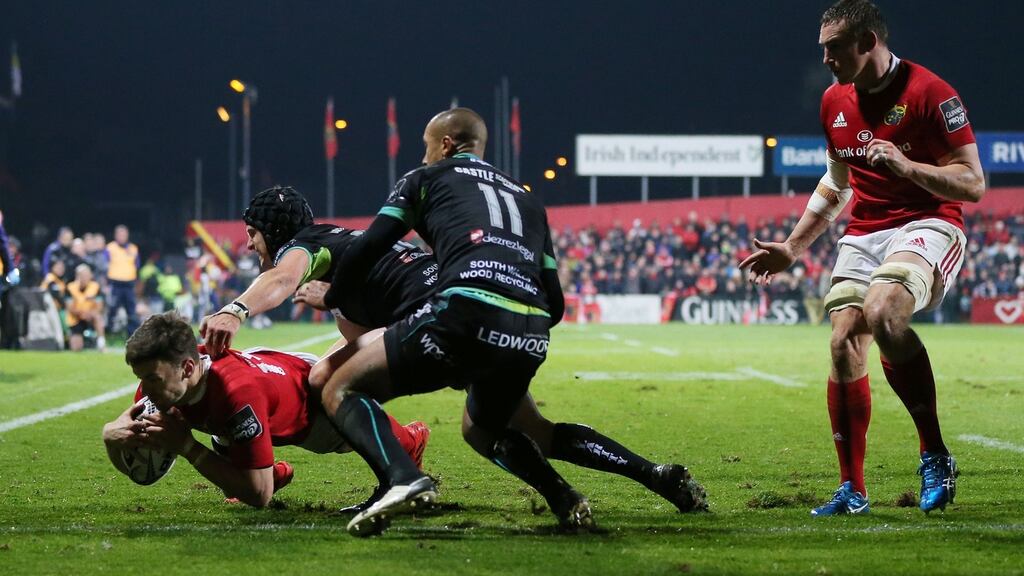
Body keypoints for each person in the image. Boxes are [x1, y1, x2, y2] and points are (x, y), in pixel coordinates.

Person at [205, 185, 707, 517]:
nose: (250, 246)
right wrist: (334, 306)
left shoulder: (306, 243)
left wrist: (236, 310)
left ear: (272, 230)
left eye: (251, 235)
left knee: (325, 381)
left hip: (440, 315)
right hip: (479, 317)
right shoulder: (353, 245)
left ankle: (399, 480)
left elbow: (281, 277)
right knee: (508, 430)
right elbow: (368, 329)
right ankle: (650, 477)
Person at [740, 0, 984, 516]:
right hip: (866, 230)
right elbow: (837, 181)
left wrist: (907, 165)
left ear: (869, 42)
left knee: (881, 311)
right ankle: (853, 490)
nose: (826, 58)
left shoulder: (931, 94)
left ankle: (934, 454)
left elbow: (973, 182)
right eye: (823, 48)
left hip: (929, 221)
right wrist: (792, 246)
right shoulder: (833, 102)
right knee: (843, 341)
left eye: (834, 48)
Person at [318, 108, 593, 537]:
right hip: (532, 333)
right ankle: (565, 499)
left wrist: (332, 297)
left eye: (426, 144)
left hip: (464, 312)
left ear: (445, 144)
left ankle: (404, 479)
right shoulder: (529, 201)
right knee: (484, 429)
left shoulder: (425, 179)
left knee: (340, 386)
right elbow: (554, 303)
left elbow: (370, 245)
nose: (424, 153)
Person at [101, 312, 430, 508]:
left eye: (151, 378)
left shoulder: (237, 394)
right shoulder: (162, 383)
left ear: (187, 368)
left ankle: (410, 440)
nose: (145, 388)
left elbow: (259, 497)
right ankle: (267, 468)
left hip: (307, 406)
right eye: (141, 378)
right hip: (268, 378)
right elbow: (142, 471)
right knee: (229, 434)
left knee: (345, 438)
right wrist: (111, 439)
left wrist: (187, 447)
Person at [106, 224, 141, 336]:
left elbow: (137, 266)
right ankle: (109, 334)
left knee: (131, 312)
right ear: (116, 235)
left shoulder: (133, 249)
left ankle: (132, 336)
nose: (122, 237)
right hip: (115, 284)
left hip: (129, 285)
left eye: (124, 234)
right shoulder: (110, 248)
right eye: (120, 234)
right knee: (112, 310)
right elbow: (104, 266)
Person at [65, 263, 106, 351]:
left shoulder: (95, 286)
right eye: (82, 275)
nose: (84, 277)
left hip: (91, 316)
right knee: (76, 348)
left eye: (87, 275)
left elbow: (100, 305)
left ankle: (101, 343)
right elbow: (70, 308)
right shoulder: (70, 287)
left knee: (98, 317)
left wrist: (90, 314)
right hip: (76, 318)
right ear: (77, 276)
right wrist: (82, 314)